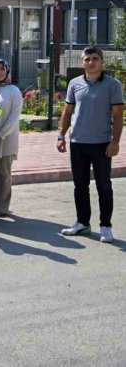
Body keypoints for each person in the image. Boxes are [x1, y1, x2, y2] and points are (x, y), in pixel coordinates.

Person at [57, 46, 122, 243]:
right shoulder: (74, 84)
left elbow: (118, 115)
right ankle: (83, 223)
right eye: (87, 59)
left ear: (102, 62)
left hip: (102, 143)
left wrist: (116, 141)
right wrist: (61, 135)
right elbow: (67, 112)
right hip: (77, 142)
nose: (91, 62)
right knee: (80, 185)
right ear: (82, 62)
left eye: (95, 59)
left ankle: (106, 226)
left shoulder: (113, 85)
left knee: (104, 185)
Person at [0, 58, 23, 217]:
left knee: (3, 173)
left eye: (2, 69)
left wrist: (1, 134)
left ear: (7, 71)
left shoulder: (14, 91)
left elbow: (14, 116)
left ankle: (1, 206)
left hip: (6, 139)